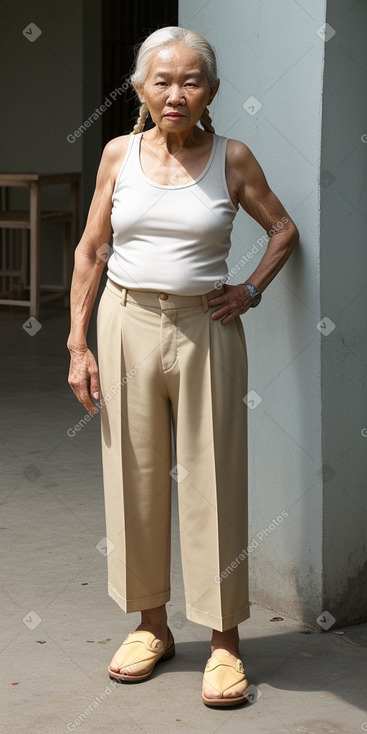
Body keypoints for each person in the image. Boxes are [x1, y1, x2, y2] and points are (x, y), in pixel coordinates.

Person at [67, 25, 299, 707]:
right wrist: (78, 345)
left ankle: (223, 642)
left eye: (190, 80)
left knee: (213, 478)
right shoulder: (118, 155)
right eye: (161, 80)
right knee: (132, 475)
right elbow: (90, 251)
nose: (175, 92)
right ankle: (150, 626)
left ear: (212, 91)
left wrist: (249, 289)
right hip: (126, 321)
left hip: (205, 326)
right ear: (139, 89)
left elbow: (282, 229)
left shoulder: (233, 157)